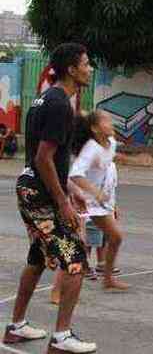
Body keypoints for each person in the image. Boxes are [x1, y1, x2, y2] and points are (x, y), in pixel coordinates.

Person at [3, 43, 97, 353]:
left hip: (32, 188)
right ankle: (62, 337)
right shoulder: (59, 105)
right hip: (40, 195)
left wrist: (70, 188)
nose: (90, 68)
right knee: (75, 261)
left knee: (38, 257)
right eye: (86, 64)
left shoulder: (45, 99)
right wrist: (62, 200)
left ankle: (16, 326)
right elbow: (43, 158)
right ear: (72, 69)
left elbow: (44, 159)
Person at [67, 110, 128, 291]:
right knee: (77, 247)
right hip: (80, 200)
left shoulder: (111, 143)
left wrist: (127, 158)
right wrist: (95, 192)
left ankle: (108, 279)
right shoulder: (91, 147)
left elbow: (108, 158)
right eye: (105, 121)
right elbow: (75, 175)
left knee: (116, 237)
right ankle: (58, 290)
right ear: (94, 128)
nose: (111, 123)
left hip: (99, 204)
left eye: (110, 120)